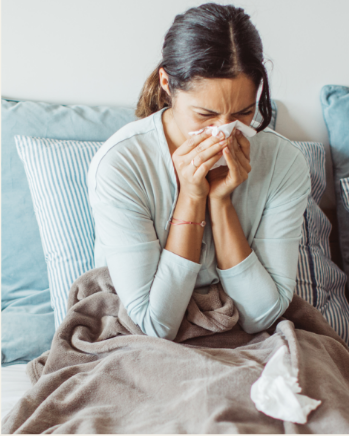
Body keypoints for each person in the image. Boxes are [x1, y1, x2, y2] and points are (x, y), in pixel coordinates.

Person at [87, 3, 311, 341]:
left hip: (246, 339)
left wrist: (221, 204)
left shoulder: (284, 162)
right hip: (142, 342)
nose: (224, 131)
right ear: (166, 82)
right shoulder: (122, 164)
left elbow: (262, 315)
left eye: (244, 112)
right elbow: (155, 325)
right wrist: (192, 196)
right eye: (205, 114)